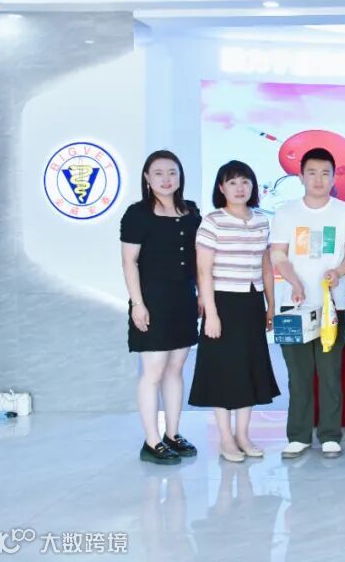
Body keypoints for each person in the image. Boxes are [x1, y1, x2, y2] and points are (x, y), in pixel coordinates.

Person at [270, 147, 345, 460]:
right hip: (293, 306)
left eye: (325, 173)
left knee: (330, 373)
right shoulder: (286, 213)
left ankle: (330, 435)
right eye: (312, 173)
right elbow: (278, 254)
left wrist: (338, 272)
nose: (318, 179)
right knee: (299, 375)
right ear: (300, 177)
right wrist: (294, 281)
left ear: (334, 177)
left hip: (331, 307)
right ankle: (298, 435)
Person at [189, 160, 280, 462]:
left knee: (248, 369)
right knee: (223, 371)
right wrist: (211, 314)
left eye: (245, 181)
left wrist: (270, 304)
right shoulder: (213, 221)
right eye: (232, 182)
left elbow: (266, 267)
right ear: (221, 188)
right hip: (222, 303)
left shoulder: (261, 221)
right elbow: (203, 271)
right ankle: (226, 438)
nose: (240, 188)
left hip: (251, 302)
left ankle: (243, 435)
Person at [120, 150, 201, 465]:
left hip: (184, 298)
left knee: (176, 368)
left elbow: (198, 259)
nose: (166, 179)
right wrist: (137, 303)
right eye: (158, 173)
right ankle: (151, 441)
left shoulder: (191, 211)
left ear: (180, 176)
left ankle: (173, 434)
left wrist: (200, 295)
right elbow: (129, 262)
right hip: (152, 299)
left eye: (172, 172)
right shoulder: (137, 214)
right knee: (153, 370)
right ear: (147, 178)